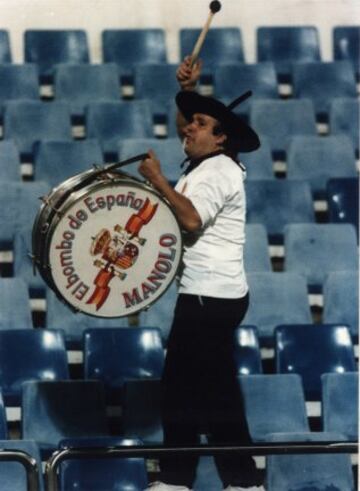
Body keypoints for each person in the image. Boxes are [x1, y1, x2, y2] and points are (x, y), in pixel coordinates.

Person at [139, 56, 265, 491]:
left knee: (187, 389)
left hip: (209, 296)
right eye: (189, 121)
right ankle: (239, 481)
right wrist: (190, 90)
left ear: (221, 137)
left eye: (199, 124)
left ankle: (188, 480)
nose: (187, 129)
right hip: (211, 293)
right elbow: (186, 132)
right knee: (209, 386)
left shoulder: (216, 172)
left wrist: (157, 180)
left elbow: (191, 220)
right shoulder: (208, 162)